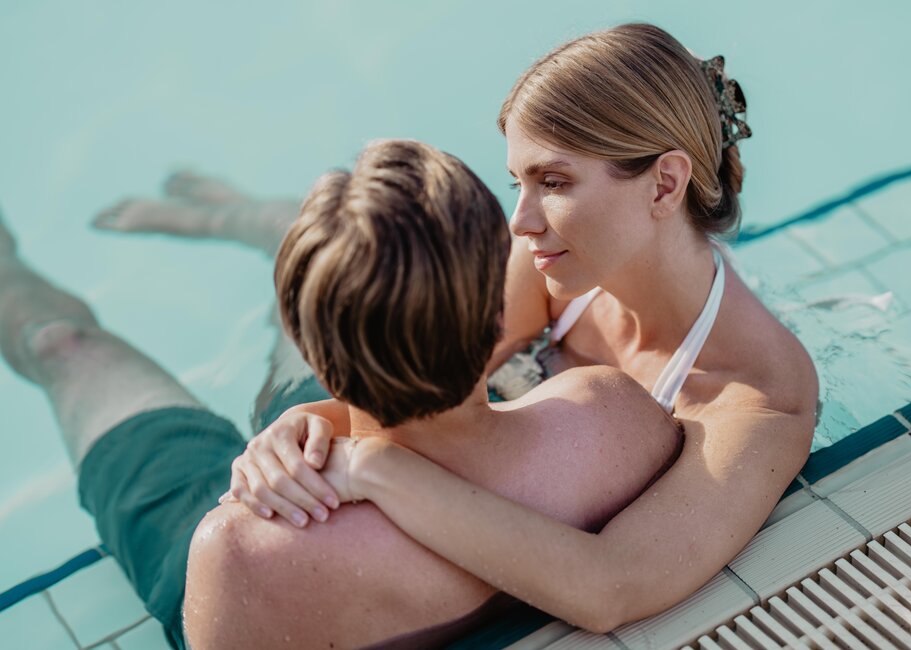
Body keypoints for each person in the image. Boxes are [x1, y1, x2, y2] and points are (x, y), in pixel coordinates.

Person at [214, 22, 819, 633]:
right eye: (517, 183)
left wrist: (375, 467)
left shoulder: (762, 398)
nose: (521, 220)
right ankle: (248, 220)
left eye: (553, 183)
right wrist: (306, 425)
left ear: (664, 183)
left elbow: (612, 586)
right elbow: (423, 368)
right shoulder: (556, 260)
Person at [0, 140, 682, 649]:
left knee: (63, 347)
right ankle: (266, 224)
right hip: (346, 418)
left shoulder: (239, 553)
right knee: (359, 266)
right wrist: (311, 416)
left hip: (229, 557)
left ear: (307, 344)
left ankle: (278, 232)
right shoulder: (614, 413)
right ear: (501, 312)